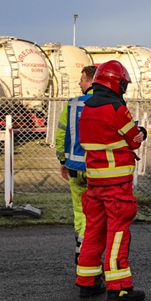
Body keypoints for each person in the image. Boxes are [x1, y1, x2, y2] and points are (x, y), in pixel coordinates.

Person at [75, 60, 147, 301]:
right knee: (117, 234)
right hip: (116, 185)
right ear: (118, 84)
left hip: (94, 184)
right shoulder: (116, 109)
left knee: (93, 231)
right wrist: (141, 133)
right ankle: (119, 288)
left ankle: (88, 281)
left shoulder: (88, 108)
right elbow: (134, 140)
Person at [55, 64, 96, 265]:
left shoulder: (71, 105)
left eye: (81, 80)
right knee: (98, 215)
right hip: (98, 170)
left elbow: (61, 135)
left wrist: (63, 161)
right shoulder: (109, 104)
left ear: (90, 81)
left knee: (80, 212)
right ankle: (93, 256)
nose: (79, 83)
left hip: (74, 168)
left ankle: (81, 252)